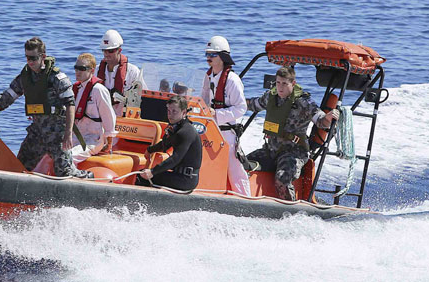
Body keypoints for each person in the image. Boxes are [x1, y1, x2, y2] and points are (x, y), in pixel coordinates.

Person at [0, 37, 90, 178]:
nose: (30, 62)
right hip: (37, 133)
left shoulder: (57, 78)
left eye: (33, 58)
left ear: (43, 56)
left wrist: (68, 134)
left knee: (65, 173)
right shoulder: (25, 77)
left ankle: (89, 178)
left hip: (57, 134)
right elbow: (5, 99)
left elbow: (70, 104)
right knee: (19, 167)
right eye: (27, 58)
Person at [245, 65, 339, 201]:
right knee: (242, 164)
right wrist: (232, 100)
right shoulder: (271, 97)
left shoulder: (304, 102)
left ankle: (290, 211)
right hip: (271, 150)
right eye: (278, 83)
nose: (280, 87)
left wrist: (328, 117)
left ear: (293, 83)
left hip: (294, 153)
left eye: (284, 83)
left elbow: (320, 121)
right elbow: (253, 104)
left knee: (282, 178)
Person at [201, 35, 250, 196]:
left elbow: (241, 108)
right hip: (209, 130)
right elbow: (203, 101)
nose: (208, 57)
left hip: (227, 133)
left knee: (235, 170)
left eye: (212, 54)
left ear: (222, 57)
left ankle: (245, 200)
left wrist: (218, 114)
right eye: (207, 54)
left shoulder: (232, 80)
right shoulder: (208, 77)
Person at [136, 95, 202, 191]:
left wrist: (153, 172)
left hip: (186, 179)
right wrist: (150, 150)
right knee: (143, 173)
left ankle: (140, 205)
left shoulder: (186, 132)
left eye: (174, 111)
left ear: (184, 112)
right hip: (178, 175)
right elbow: (164, 144)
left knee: (142, 177)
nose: (170, 115)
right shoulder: (176, 128)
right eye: (168, 111)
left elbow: (175, 159)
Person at [70, 53, 117, 162]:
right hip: (75, 137)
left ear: (92, 70)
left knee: (69, 157)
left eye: (81, 69)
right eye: (76, 68)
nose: (77, 72)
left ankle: (73, 175)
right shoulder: (76, 89)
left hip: (92, 140)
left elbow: (108, 117)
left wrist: (109, 142)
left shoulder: (98, 90)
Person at [96, 29, 146, 116]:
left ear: (119, 50)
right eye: (104, 50)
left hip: (125, 119)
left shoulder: (132, 72)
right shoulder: (96, 71)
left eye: (111, 51)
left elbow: (144, 94)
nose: (107, 54)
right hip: (102, 117)